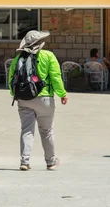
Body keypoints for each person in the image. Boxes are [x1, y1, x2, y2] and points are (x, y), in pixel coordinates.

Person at [8, 30, 68, 171]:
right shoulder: (48, 56)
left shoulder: (18, 59)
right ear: (40, 43)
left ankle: (25, 161)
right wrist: (62, 94)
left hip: (24, 99)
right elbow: (56, 77)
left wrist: (15, 94)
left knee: (26, 130)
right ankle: (51, 161)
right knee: (46, 131)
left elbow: (11, 79)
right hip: (45, 98)